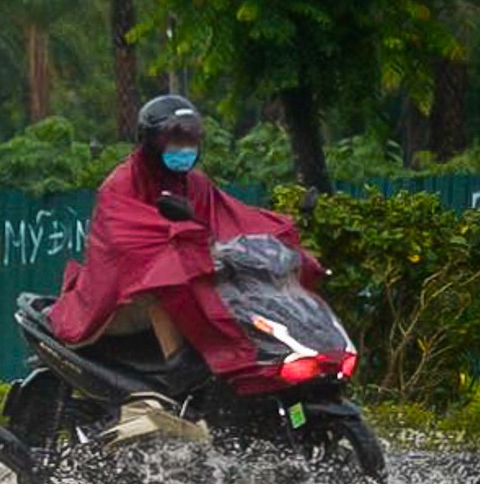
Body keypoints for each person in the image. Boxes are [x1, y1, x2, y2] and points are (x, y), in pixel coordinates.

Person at [46, 94, 320, 384]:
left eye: (190, 139)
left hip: (191, 291)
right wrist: (180, 239)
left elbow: (232, 219)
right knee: (163, 280)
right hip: (117, 303)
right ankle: (179, 369)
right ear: (150, 141)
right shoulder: (120, 185)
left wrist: (281, 227)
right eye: (173, 140)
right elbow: (124, 249)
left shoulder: (194, 184)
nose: (183, 149)